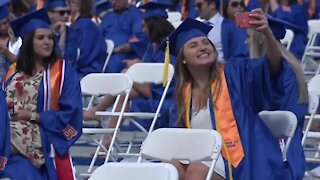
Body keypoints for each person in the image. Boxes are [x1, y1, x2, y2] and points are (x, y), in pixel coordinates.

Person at [165, 9, 287, 179]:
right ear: (183, 58)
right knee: (171, 167)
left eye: (206, 43)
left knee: (196, 169)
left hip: (239, 157)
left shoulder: (235, 74)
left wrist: (267, 34)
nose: (202, 47)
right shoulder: (182, 93)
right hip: (199, 155)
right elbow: (177, 135)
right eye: (194, 45)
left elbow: (272, 66)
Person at [1, 8, 83, 180]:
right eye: (40, 38)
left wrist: (32, 115)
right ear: (29, 42)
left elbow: (71, 114)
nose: (47, 42)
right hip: (7, 129)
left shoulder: (62, 72)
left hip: (42, 133)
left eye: (50, 37)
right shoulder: (13, 71)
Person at [83, 2, 176, 145]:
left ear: (152, 26)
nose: (143, 30)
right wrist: (139, 64)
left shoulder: (168, 50)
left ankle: (97, 112)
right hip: (152, 92)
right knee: (124, 92)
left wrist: (136, 68)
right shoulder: (155, 46)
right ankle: (107, 137)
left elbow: (161, 85)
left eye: (144, 26)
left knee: (127, 76)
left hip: (164, 98)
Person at [246, 17, 308, 179]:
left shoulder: (279, 71)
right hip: (289, 147)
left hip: (276, 151)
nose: (246, 42)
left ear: (260, 40)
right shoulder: (291, 65)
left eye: (250, 37)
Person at [100, 0, 149, 73]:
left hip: (125, 55)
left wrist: (115, 50)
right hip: (105, 55)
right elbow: (99, 37)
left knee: (115, 65)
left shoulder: (136, 15)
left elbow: (138, 38)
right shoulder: (107, 16)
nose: (114, 2)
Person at [71, 0, 107, 78]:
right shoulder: (78, 24)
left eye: (72, 2)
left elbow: (84, 56)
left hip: (86, 73)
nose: (67, 5)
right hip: (78, 70)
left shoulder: (85, 27)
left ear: (80, 6)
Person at [45, 0, 78, 67]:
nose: (66, 16)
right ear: (50, 14)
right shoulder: (42, 32)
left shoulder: (71, 33)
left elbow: (67, 59)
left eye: (68, 12)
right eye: (62, 12)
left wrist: (63, 36)